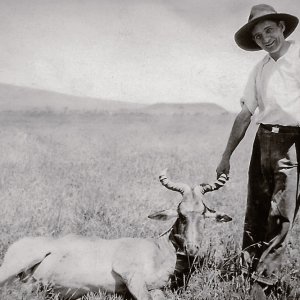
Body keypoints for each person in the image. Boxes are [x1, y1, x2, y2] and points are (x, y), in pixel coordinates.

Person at [216, 3, 300, 298]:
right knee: (257, 209)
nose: (265, 39)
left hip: (293, 142)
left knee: (281, 214)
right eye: (258, 36)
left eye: (269, 30)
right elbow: (245, 114)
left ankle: (263, 285)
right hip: (263, 140)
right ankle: (246, 270)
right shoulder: (260, 68)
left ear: (281, 27)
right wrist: (226, 156)